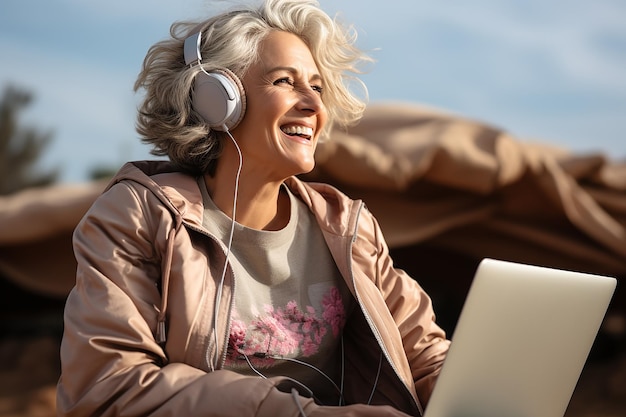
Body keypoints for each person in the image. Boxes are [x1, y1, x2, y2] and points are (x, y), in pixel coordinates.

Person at [56, 0, 450, 415]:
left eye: (316, 87)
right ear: (216, 98)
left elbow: (425, 357)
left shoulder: (348, 229)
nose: (313, 105)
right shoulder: (137, 216)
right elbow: (108, 388)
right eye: (285, 81)